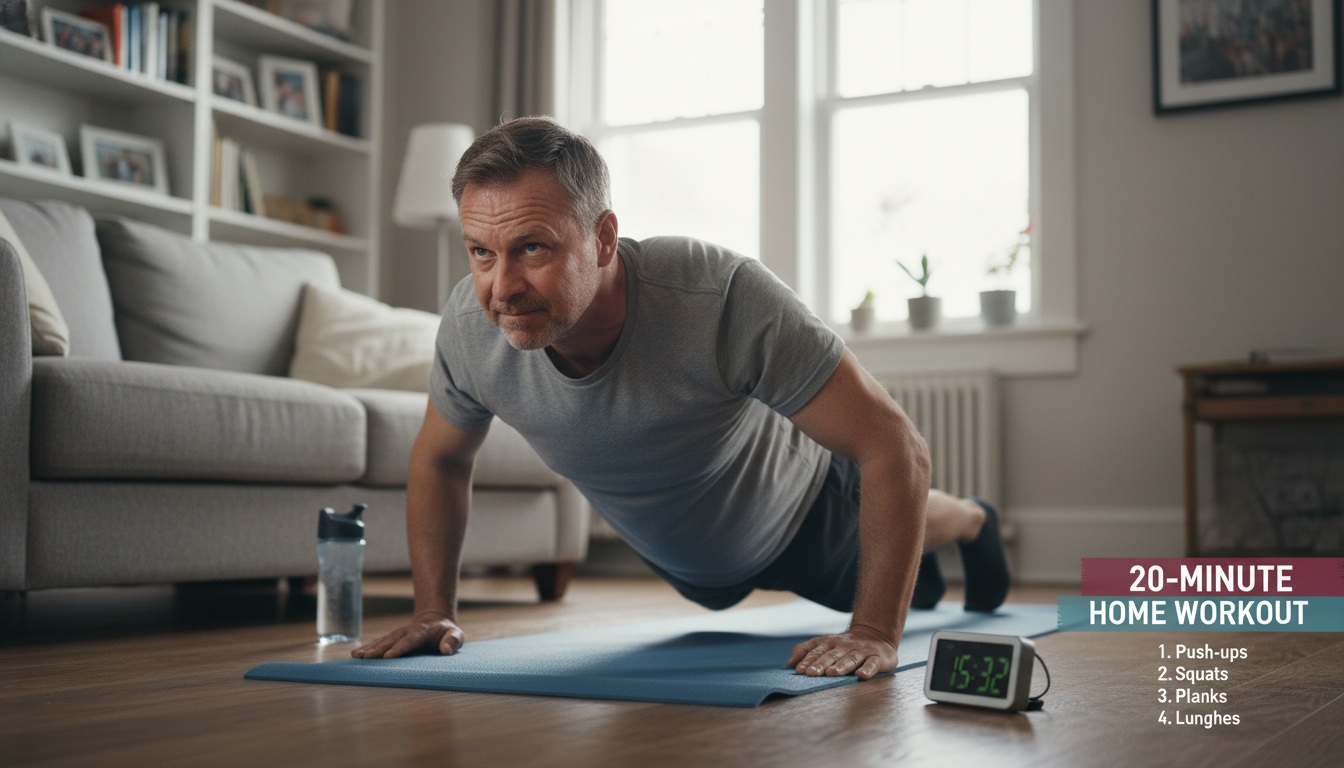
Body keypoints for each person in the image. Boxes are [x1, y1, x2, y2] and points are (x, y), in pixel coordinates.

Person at [353, 116, 1009, 679]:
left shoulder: (719, 296)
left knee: (915, 586)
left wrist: (873, 630)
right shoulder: (470, 329)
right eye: (480, 253)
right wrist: (432, 611)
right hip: (693, 564)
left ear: (604, 238)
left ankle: (973, 521)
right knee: (885, 578)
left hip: (802, 515)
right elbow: (440, 460)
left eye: (531, 248)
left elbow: (894, 445)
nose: (502, 287)